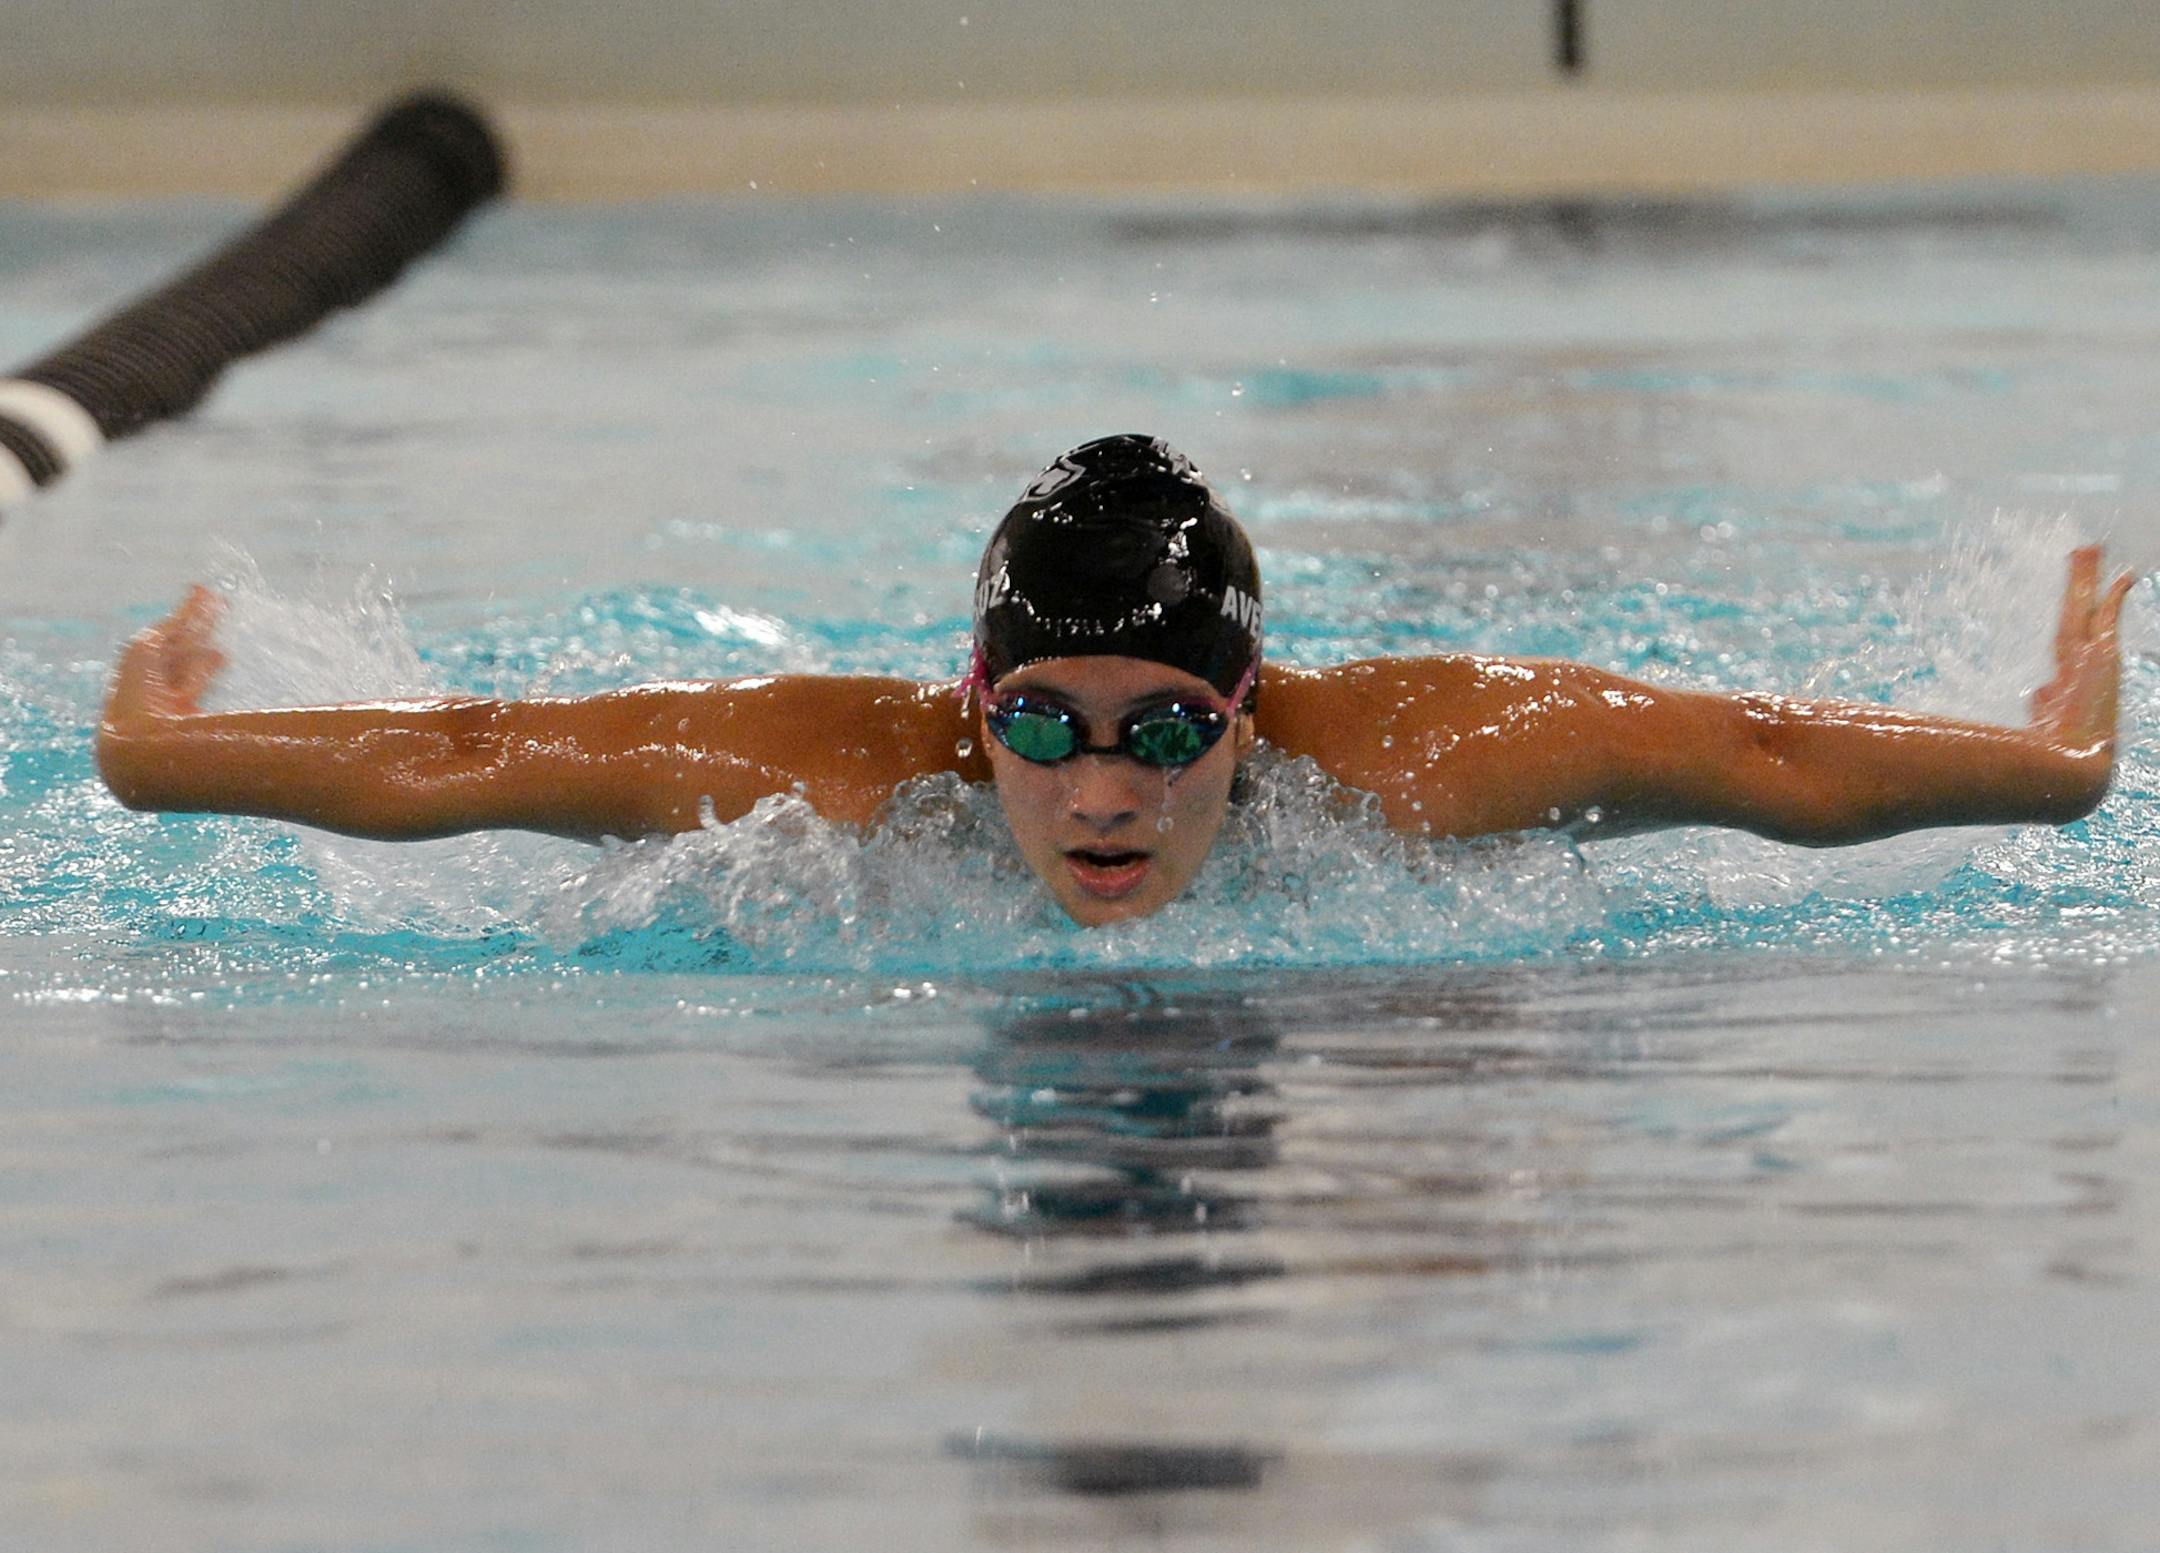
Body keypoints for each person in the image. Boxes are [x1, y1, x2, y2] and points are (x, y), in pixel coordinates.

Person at [97, 434, 2136, 926]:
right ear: (964, 707)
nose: (1100, 794)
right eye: (1042, 730)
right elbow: (473, 753)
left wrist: (2060, 756)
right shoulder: (836, 782)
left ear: (1253, 718)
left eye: (1168, 735)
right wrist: (163, 753)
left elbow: (1766, 754)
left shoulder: (1423, 762)